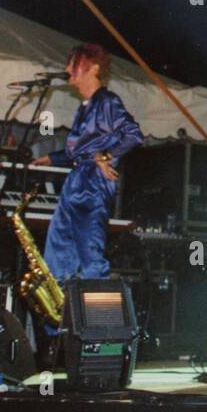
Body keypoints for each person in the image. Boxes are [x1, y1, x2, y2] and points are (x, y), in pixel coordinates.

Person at [31, 44, 142, 283]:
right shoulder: (86, 106)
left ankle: (98, 316)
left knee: (90, 256)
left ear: (93, 68)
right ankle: (60, 315)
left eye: (73, 63)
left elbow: (133, 134)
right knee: (57, 255)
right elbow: (82, 149)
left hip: (91, 182)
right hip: (78, 179)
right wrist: (53, 158)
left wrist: (105, 155)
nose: (67, 68)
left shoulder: (107, 101)